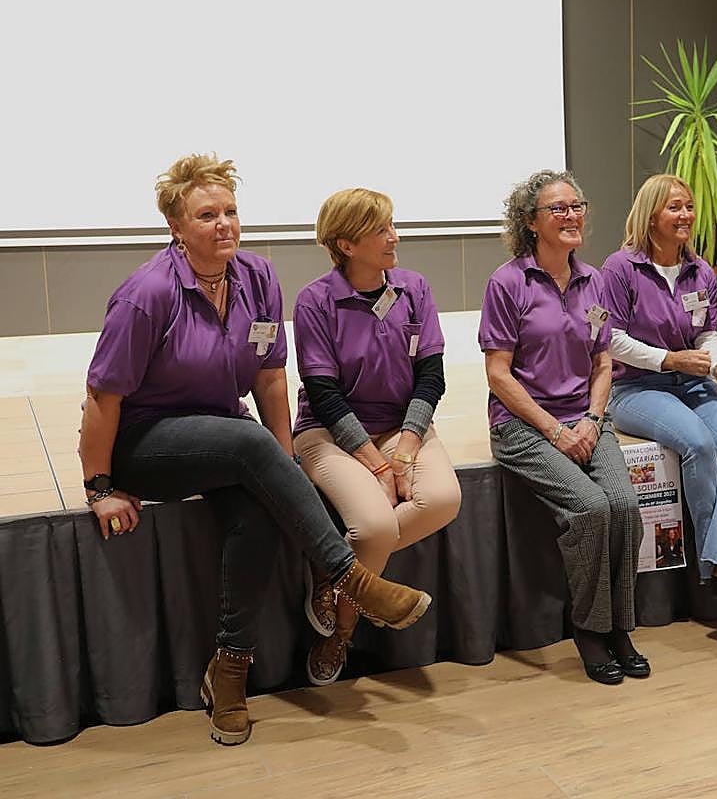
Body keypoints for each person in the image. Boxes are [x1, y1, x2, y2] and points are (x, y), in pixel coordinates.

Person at [80, 155, 432, 746]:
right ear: (176, 226)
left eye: (231, 212)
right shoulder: (145, 295)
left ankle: (230, 671)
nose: (225, 225)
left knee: (261, 506)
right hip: (145, 443)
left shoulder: (257, 279)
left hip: (227, 437)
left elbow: (270, 378)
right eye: (207, 215)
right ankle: (349, 578)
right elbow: (103, 397)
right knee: (249, 442)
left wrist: (281, 469)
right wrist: (99, 486)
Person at [479, 169, 647, 685]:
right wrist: (555, 430)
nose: (572, 215)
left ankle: (620, 626)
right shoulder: (508, 283)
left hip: (587, 420)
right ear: (531, 222)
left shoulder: (593, 281)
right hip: (524, 425)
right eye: (559, 208)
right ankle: (590, 629)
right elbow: (498, 374)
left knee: (625, 504)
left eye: (577, 205)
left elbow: (602, 363)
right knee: (591, 508)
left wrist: (594, 421)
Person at [292, 188, 461, 686]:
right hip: (330, 433)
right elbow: (324, 394)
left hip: (400, 427)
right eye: (381, 229)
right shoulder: (316, 301)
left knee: (445, 499)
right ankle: (342, 633)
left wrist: (407, 446)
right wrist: (378, 464)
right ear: (345, 244)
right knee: (376, 529)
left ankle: (333, 569)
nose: (395, 237)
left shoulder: (414, 288)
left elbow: (432, 375)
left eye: (392, 224)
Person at [602, 174, 717, 603]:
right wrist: (667, 359)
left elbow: (707, 334)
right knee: (697, 442)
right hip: (636, 387)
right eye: (675, 207)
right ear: (651, 214)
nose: (686, 215)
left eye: (689, 206)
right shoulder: (621, 268)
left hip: (693, 381)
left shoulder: (700, 270)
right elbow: (611, 338)